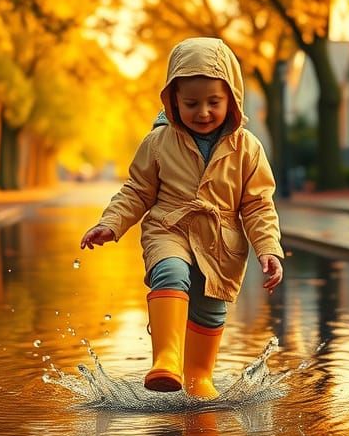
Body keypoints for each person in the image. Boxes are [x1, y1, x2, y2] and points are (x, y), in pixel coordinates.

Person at [80, 37, 284, 399]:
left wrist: (268, 248)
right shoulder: (158, 142)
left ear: (232, 99)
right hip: (168, 229)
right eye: (191, 103)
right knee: (170, 272)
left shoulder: (247, 148)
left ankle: (198, 378)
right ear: (173, 100)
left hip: (220, 243)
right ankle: (166, 358)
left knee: (209, 309)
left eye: (214, 103)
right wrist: (111, 223)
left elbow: (257, 205)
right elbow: (137, 191)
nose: (202, 112)